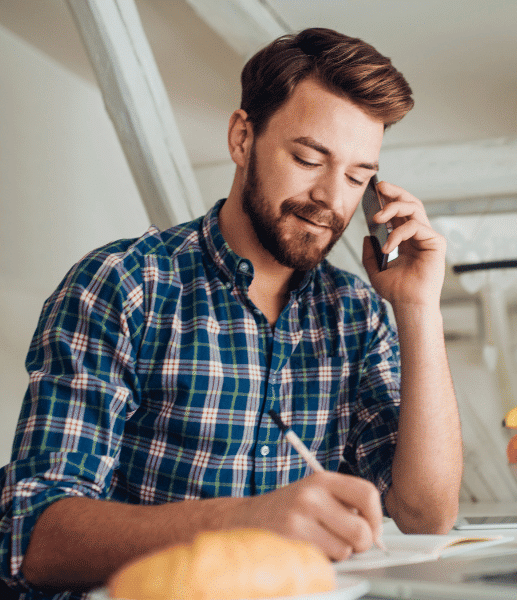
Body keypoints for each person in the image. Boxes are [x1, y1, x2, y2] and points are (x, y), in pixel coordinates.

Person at [0, 27, 462, 598]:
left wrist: (418, 307)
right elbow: (32, 536)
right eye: (308, 158)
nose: (331, 197)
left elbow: (426, 515)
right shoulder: (123, 286)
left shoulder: (356, 315)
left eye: (356, 176)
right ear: (243, 138)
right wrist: (245, 521)